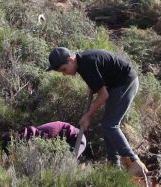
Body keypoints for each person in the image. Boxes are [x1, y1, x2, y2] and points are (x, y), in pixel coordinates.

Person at [47, 48, 146, 178]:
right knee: (107, 127)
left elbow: (103, 95)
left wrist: (88, 116)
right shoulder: (82, 63)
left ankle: (134, 162)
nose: (64, 74)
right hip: (117, 85)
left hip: (125, 83)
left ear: (70, 59)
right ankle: (113, 166)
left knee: (110, 125)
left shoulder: (86, 64)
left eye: (64, 70)